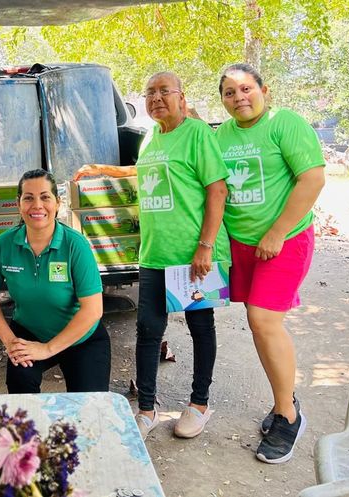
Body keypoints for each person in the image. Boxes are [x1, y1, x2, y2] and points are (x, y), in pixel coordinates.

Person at [216, 63, 325, 464]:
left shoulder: (285, 123)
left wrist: (277, 232)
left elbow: (312, 179)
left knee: (263, 320)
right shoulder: (221, 135)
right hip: (243, 245)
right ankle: (284, 398)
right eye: (230, 92)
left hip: (285, 240)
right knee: (259, 324)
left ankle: (288, 415)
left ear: (265, 90)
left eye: (246, 88)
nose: (239, 97)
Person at [134, 72, 231, 440]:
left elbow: (217, 191)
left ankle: (199, 404)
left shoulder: (198, 133)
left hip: (193, 256)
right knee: (148, 331)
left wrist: (205, 246)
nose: (156, 98)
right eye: (150, 92)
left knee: (200, 328)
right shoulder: (149, 137)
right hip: (154, 254)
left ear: (182, 97)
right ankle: (147, 410)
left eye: (164, 91)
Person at [0, 169, 110, 393]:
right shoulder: (5, 244)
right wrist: (10, 342)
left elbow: (93, 310)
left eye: (45, 197)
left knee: (89, 406)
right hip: (30, 331)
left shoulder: (75, 245)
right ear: (18, 204)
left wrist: (48, 348)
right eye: (28, 198)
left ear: (58, 203)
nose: (37, 205)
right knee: (21, 390)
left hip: (80, 338)